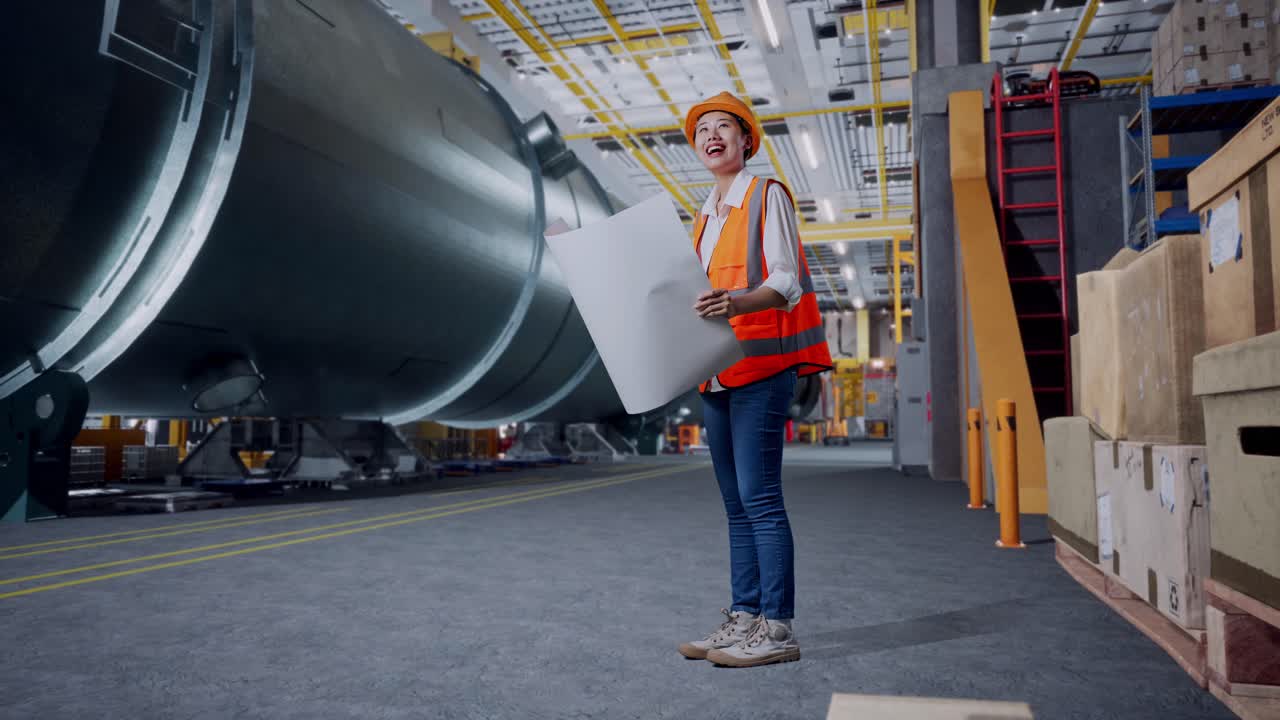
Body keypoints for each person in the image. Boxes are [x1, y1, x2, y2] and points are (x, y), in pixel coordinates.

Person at [676, 92, 833, 668]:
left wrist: (735, 301)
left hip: (763, 369)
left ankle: (778, 628)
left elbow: (787, 280)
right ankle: (744, 618)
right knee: (734, 505)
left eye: (724, 128)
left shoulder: (766, 195)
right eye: (702, 131)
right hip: (716, 373)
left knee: (761, 499)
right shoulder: (704, 216)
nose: (711, 136)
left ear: (746, 141)